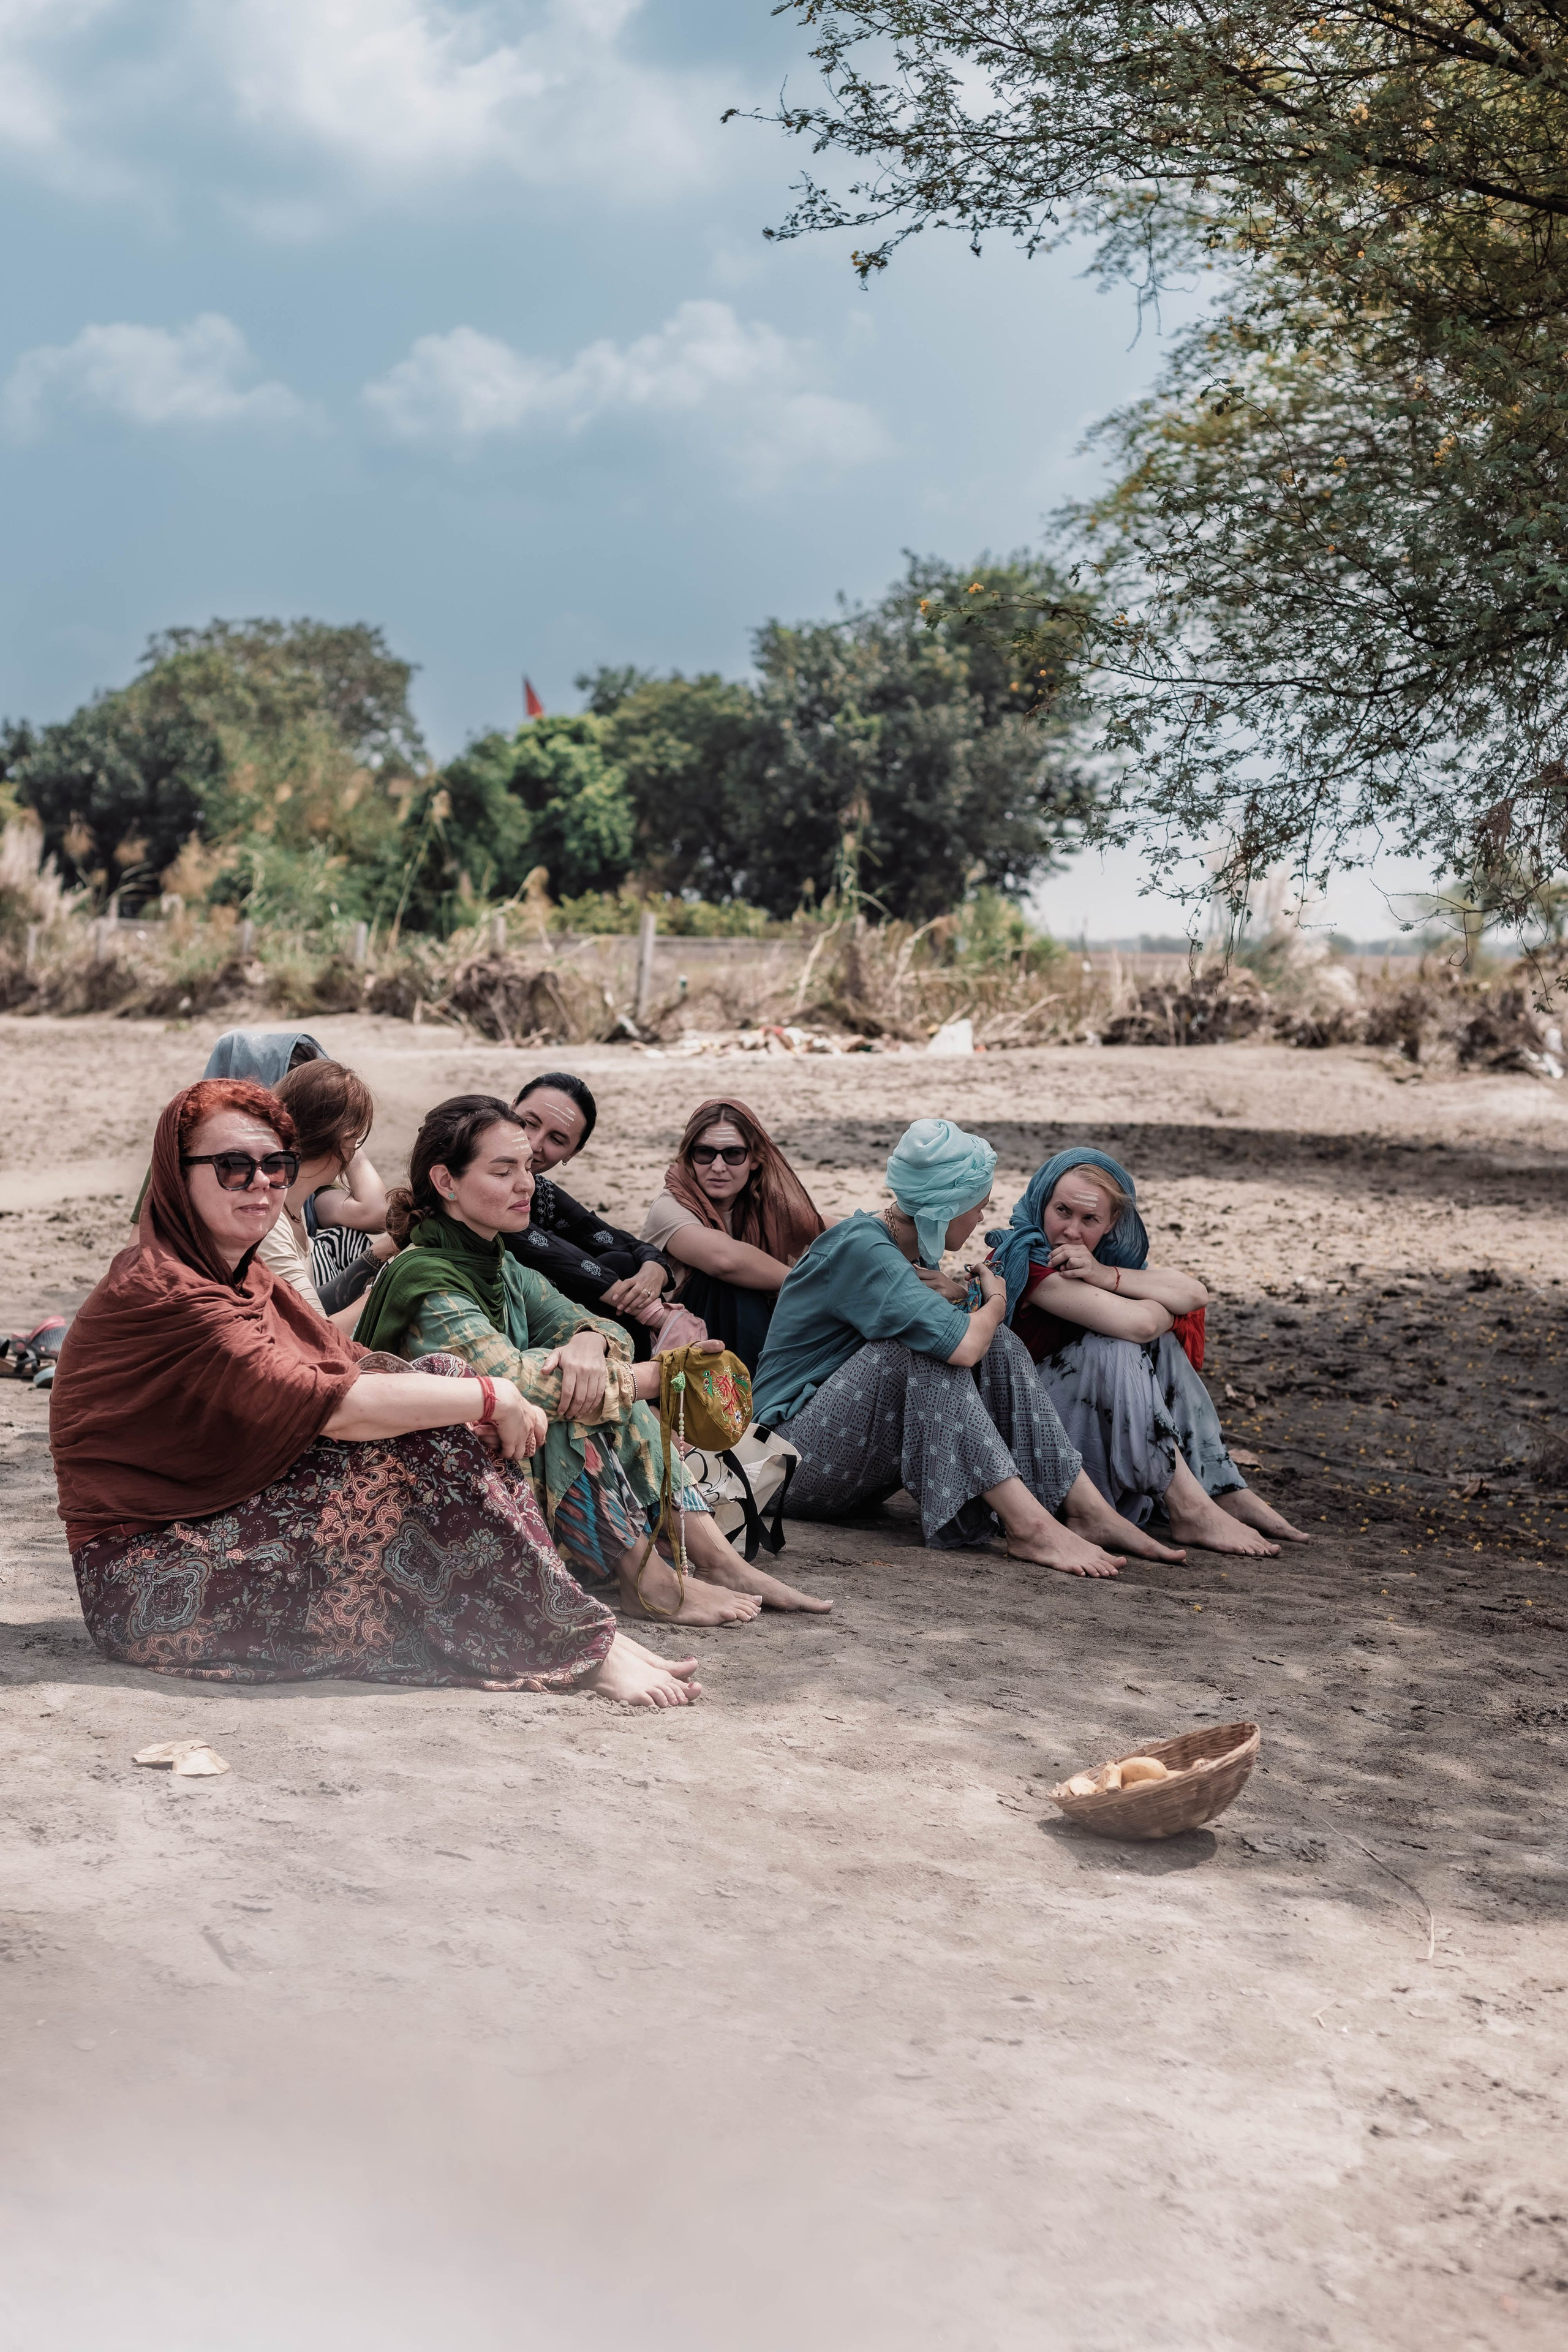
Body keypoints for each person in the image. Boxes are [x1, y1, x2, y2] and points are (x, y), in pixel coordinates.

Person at [51, 1078, 701, 1708]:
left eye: (277, 1166)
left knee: (439, 1383)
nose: (261, 1184)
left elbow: (351, 1361)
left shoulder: (239, 1276)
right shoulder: (168, 1290)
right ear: (177, 1174)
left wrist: (518, 1370)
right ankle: (572, 1637)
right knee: (435, 1429)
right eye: (232, 1167)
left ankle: (567, 1624)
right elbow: (336, 1405)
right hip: (149, 1573)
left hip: (221, 1512)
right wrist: (493, 1396)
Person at [355, 1095, 831, 1621]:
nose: (526, 1185)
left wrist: (589, 1340)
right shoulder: (429, 1282)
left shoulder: (498, 1263)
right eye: (503, 1170)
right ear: (446, 1182)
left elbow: (604, 1326)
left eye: (528, 1168)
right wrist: (655, 1377)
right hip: (433, 1497)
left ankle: (715, 1558)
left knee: (578, 1375)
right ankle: (646, 1580)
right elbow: (515, 1384)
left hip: (508, 1470)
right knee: (565, 1399)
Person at [751, 1119, 1186, 1577]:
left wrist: (965, 1297)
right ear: (944, 1208)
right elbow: (959, 1348)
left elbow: (975, 1341)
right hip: (784, 1468)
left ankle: (1085, 1508)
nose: (981, 1218)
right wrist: (996, 1297)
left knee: (995, 1341)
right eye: (976, 1207)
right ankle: (1030, 1525)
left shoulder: (910, 1249)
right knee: (924, 1349)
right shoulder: (864, 1249)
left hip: (846, 1469)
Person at [988, 1150, 1308, 1552]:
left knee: (1148, 1338)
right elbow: (1140, 1324)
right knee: (1117, 1342)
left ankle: (1221, 1487)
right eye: (1062, 1211)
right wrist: (1155, 1310)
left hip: (1086, 1426)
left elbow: (1195, 1293)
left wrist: (1106, 1276)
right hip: (1031, 1443)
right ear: (1041, 1200)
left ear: (1112, 1222)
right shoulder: (1026, 1260)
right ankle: (1189, 1507)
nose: (1071, 1231)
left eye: (1090, 1220)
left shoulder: (1099, 1261)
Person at [641, 1099, 825, 1374]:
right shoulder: (670, 1205)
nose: (717, 1167)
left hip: (744, 1334)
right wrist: (811, 1284)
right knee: (733, 1281)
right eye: (704, 1153)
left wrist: (889, 1230)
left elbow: (825, 1226)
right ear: (689, 1156)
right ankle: (758, 1392)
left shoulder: (761, 1202)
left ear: (754, 1159)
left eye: (733, 1154)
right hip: (682, 1346)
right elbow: (725, 1261)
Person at [508, 1072, 680, 1360]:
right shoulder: (475, 1175)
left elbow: (617, 1239)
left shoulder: (541, 1191)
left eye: (557, 1139)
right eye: (529, 1123)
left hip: (558, 1317)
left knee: (623, 1262)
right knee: (618, 1277)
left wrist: (654, 1269)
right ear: (510, 1109)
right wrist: (631, 1300)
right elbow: (534, 1243)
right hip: (494, 1313)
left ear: (573, 1152)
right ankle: (647, 1387)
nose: (534, 1144)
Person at [257, 1058, 393, 1324]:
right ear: (345, 1143)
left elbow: (311, 1302)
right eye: (356, 1140)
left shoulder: (292, 1205)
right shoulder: (271, 1220)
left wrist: (381, 1253)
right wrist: (387, 1288)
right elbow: (318, 1334)